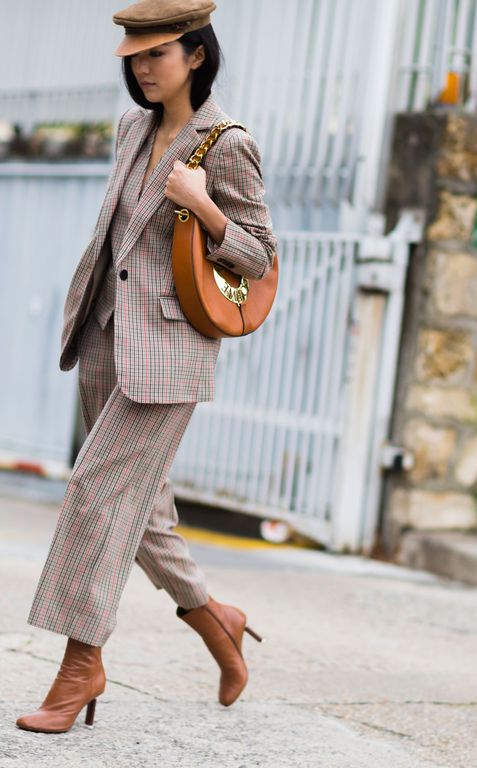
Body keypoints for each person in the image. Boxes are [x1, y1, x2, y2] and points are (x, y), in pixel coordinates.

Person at [15, 0, 278, 734]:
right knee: (145, 510)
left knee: (96, 491)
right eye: (133, 55)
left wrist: (206, 210)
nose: (141, 66)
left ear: (196, 55)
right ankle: (215, 619)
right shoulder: (133, 128)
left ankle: (80, 663)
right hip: (105, 335)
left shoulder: (226, 143)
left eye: (156, 53)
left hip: (167, 351)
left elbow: (259, 255)